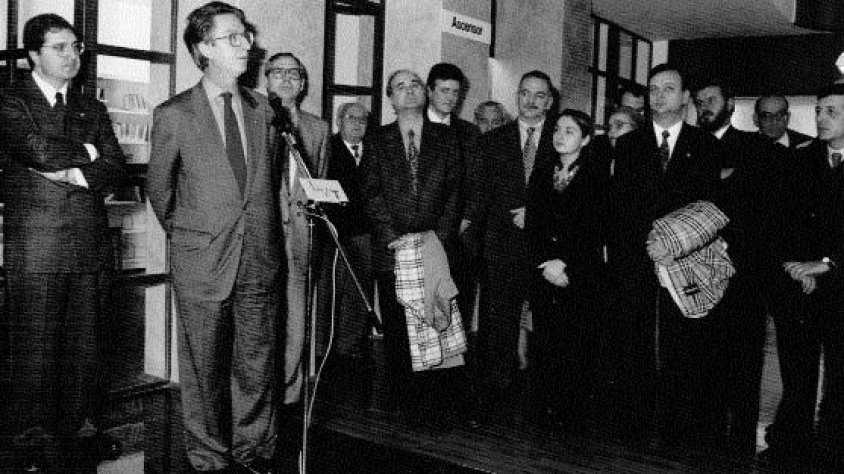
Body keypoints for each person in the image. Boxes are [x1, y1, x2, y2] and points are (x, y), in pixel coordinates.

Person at [147, 3, 282, 472]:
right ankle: (208, 455)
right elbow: (160, 191)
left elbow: (264, 185)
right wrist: (194, 237)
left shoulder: (264, 108)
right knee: (203, 366)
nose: (247, 43)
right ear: (203, 49)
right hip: (202, 258)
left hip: (259, 256)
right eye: (233, 37)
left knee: (257, 361)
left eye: (245, 35)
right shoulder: (175, 114)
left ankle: (255, 448)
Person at [0, 13, 127, 472]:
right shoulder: (10, 97)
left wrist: (77, 167)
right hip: (35, 244)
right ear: (34, 54)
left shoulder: (91, 108)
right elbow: (33, 149)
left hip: (90, 242)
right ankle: (32, 436)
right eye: (61, 47)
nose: (73, 55)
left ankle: (81, 430)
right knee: (35, 344)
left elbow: (115, 165)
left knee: (86, 344)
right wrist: (88, 154)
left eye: (76, 47)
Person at [606, 63, 721, 443]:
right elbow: (621, 208)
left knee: (681, 345)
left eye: (668, 88)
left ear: (685, 97)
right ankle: (634, 423)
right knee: (634, 342)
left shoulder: (705, 146)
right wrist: (647, 246)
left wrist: (673, 247)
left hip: (684, 262)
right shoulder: (628, 144)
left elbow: (708, 208)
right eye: (653, 89)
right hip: (638, 260)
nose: (658, 96)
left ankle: (675, 426)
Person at [359, 69, 463, 415]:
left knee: (437, 319)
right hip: (393, 248)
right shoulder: (376, 140)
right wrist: (393, 237)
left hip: (435, 245)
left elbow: (454, 193)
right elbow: (370, 193)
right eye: (399, 86)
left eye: (415, 84)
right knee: (398, 323)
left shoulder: (447, 139)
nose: (408, 90)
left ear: (425, 93)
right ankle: (402, 398)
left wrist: (439, 236)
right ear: (390, 98)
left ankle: (435, 399)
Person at [693, 78, 779, 456]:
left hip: (745, 273)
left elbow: (764, 212)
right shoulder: (690, 148)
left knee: (744, 359)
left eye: (711, 99)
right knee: (705, 358)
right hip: (699, 272)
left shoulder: (756, 146)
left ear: (730, 104)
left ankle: (742, 441)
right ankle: (706, 438)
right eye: (699, 101)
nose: (704, 106)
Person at [762, 83, 844, 471]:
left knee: (840, 379)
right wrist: (798, 267)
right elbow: (782, 219)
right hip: (800, 285)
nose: (821, 118)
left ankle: (832, 453)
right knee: (797, 374)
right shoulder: (801, 159)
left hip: (839, 283)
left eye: (832, 111)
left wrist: (828, 264)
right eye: (819, 110)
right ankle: (789, 447)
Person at [464, 70, 557, 405]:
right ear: (516, 96)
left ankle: (542, 392)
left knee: (546, 324)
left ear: (549, 100)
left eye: (539, 95)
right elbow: (480, 198)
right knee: (498, 324)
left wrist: (538, 214)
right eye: (524, 93)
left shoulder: (561, 138)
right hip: (501, 247)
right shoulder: (492, 141)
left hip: (547, 247)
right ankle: (498, 391)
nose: (530, 101)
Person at [526, 109, 608, 432]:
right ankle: (542, 407)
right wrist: (545, 262)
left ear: (585, 139)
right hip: (544, 271)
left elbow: (595, 228)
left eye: (570, 131)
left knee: (577, 344)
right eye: (558, 129)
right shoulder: (542, 172)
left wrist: (566, 263)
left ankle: (572, 411)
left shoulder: (597, 176)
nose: (560, 135)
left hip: (580, 273)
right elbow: (533, 224)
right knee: (545, 341)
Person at [264, 51, 330, 411]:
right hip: (262, 238)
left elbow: (317, 181)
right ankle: (259, 394)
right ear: (266, 80)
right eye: (279, 73)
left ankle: (288, 394)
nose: (287, 79)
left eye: (294, 74)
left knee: (296, 321)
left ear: (303, 84)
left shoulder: (318, 128)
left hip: (302, 240)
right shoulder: (256, 121)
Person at [424, 63, 481, 341]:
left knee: (457, 311)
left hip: (459, 238)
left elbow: (477, 184)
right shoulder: (410, 127)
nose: (450, 98)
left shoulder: (470, 134)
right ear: (429, 91)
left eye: (455, 92)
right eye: (444, 90)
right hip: (420, 237)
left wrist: (466, 219)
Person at [321, 102, 373, 399]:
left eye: (362, 119)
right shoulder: (327, 148)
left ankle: (349, 346)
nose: (356, 124)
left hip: (364, 233)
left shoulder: (373, 151)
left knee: (359, 292)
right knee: (331, 292)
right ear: (339, 121)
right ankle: (326, 348)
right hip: (334, 232)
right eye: (350, 118)